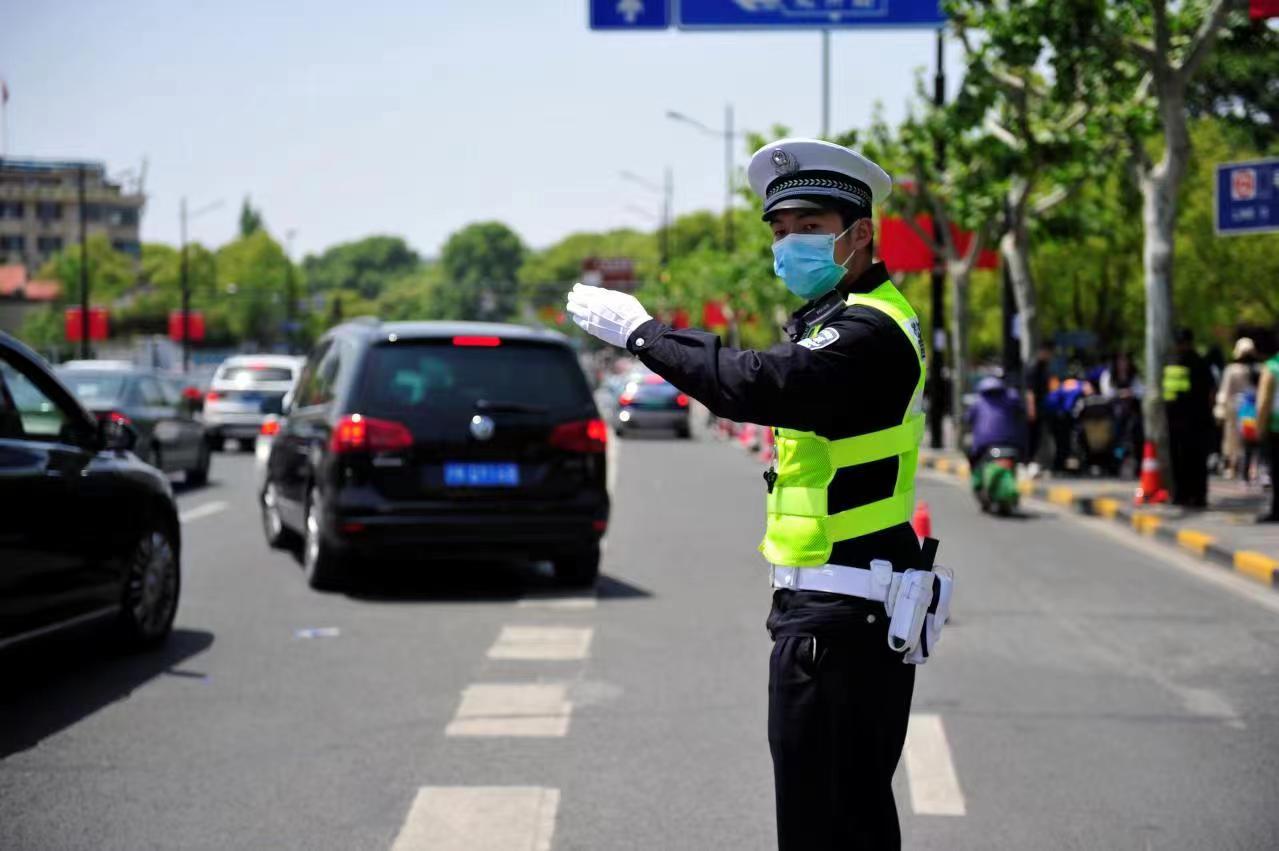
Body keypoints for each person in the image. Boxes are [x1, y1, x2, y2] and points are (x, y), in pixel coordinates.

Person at [567, 138, 942, 850]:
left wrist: (642, 333)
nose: (788, 244)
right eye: (779, 231)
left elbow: (753, 382)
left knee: (823, 823)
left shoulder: (868, 330)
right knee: (850, 817)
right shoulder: (849, 318)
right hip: (844, 608)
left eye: (808, 227)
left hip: (840, 620)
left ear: (860, 233)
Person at [1163, 328, 1216, 508]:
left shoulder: (1176, 364)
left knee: (1184, 461)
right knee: (1194, 462)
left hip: (1182, 422)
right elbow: (1211, 392)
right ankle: (1194, 496)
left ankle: (1185, 496)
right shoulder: (1199, 362)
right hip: (1193, 421)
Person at [1214, 337, 1259, 481]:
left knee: (1236, 440)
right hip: (1243, 409)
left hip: (1240, 408)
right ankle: (1241, 467)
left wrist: (1220, 408)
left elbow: (1224, 392)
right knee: (1239, 439)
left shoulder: (1233, 370)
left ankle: (1238, 467)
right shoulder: (1255, 369)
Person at [965, 375, 1027, 465]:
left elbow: (968, 418)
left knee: (973, 460)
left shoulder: (978, 402)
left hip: (985, 447)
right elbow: (1021, 411)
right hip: (1010, 444)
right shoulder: (1011, 399)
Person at [1100, 351, 1144, 477]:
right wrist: (1122, 394)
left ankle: (1136, 464)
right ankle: (1115, 464)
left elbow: (1140, 391)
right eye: (1120, 361)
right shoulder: (1108, 375)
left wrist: (1131, 393)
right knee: (1116, 437)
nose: (1123, 364)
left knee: (1135, 433)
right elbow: (1107, 393)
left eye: (1125, 361)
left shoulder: (1133, 375)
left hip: (1131, 414)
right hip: (1114, 413)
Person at [1257, 345, 1279, 522]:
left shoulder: (1272, 367)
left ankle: (1276, 510)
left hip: (1276, 426)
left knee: (1276, 470)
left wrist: (1260, 426)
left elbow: (1264, 401)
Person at [1025, 341, 1053, 474]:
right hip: (1034, 407)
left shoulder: (1045, 367)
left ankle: (1037, 462)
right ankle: (1029, 462)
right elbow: (1030, 391)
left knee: (1040, 435)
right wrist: (1031, 409)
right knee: (1032, 436)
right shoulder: (1034, 367)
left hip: (1043, 406)